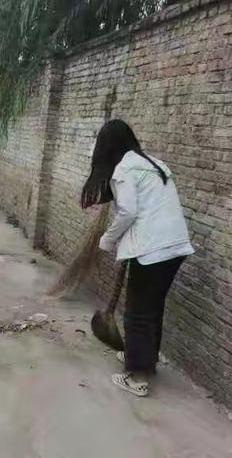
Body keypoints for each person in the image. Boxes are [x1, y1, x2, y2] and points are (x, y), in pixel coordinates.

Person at [81, 119, 194, 397]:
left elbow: (128, 212)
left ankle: (137, 376)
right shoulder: (154, 163)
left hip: (152, 249)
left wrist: (107, 240)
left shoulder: (124, 169)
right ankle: (142, 357)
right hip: (175, 246)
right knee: (152, 307)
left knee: (137, 313)